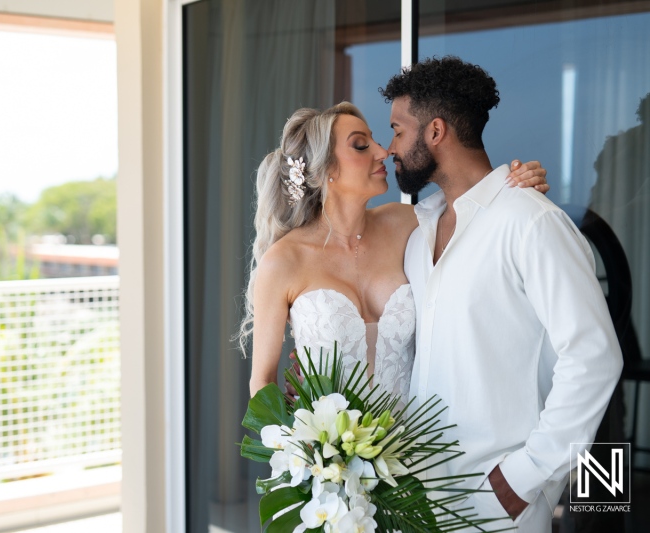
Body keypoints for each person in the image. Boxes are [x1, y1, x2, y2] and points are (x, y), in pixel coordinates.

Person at [380, 56, 623, 532]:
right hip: (418, 497)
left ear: (434, 132)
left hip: (498, 504)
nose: (390, 148)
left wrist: (524, 476)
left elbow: (594, 357)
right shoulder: (417, 231)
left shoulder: (530, 222)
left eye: (396, 130)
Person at [243, 101, 547, 404]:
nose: (382, 151)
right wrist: (305, 443)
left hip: (421, 444)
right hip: (330, 448)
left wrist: (514, 183)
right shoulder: (284, 261)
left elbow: (472, 206)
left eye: (375, 140)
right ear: (326, 170)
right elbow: (262, 383)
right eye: (361, 146)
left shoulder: (407, 224)